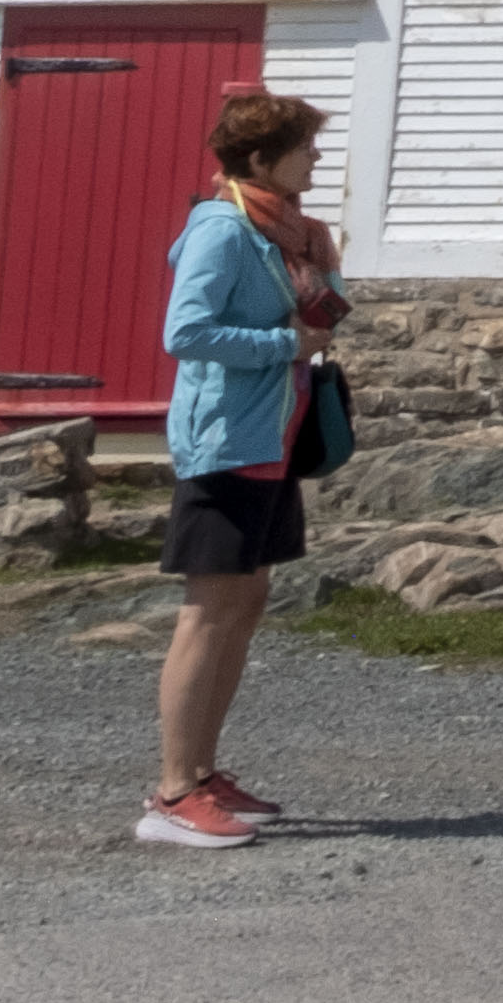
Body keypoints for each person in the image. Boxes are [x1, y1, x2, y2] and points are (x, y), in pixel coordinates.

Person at [142, 91, 345, 851]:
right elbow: (186, 332)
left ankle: (201, 771)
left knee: (245, 599)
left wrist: (321, 293)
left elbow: (316, 315)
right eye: (303, 148)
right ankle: (173, 792)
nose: (316, 158)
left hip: (273, 440)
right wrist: (285, 345)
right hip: (226, 443)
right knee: (209, 609)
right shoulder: (224, 229)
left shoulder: (291, 233)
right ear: (260, 160)